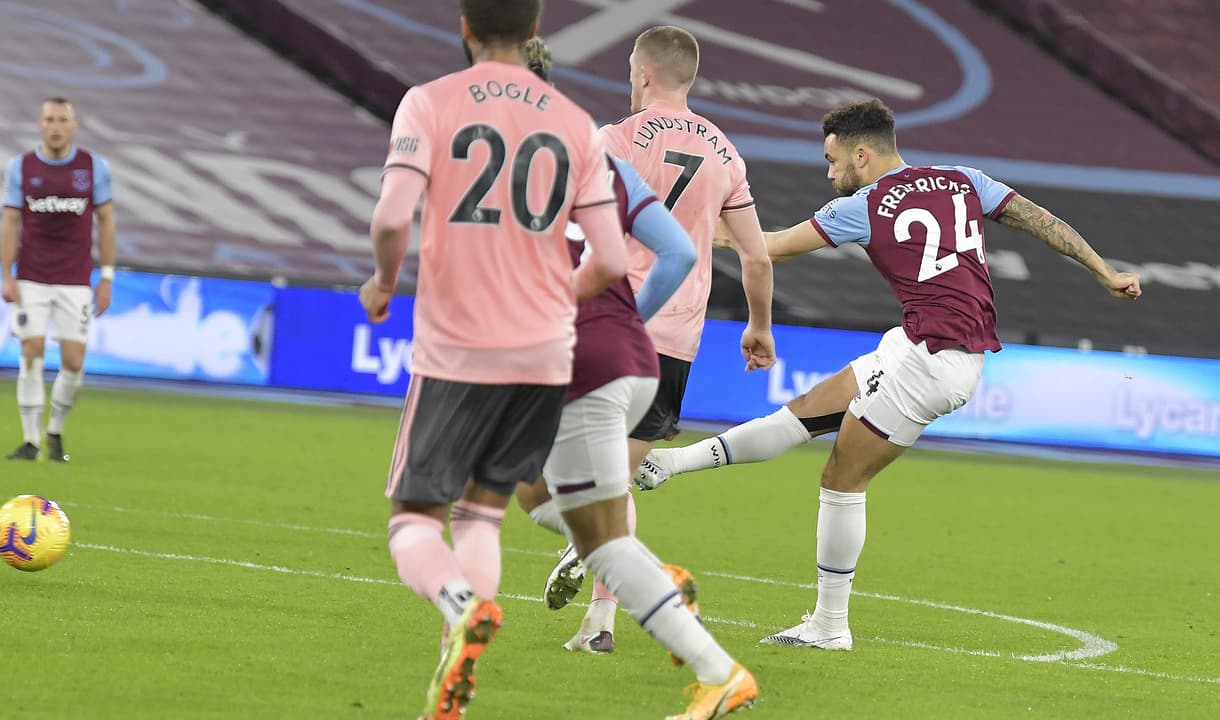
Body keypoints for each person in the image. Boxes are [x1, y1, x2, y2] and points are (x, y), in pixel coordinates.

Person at [635, 98, 1142, 650]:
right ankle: (670, 464)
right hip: (918, 345)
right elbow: (1039, 220)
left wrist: (682, 225)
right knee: (805, 412)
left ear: (861, 152)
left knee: (841, 479)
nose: (830, 174)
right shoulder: (961, 180)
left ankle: (830, 627)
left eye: (833, 162)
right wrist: (1104, 271)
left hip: (932, 362)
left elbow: (769, 248)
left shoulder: (866, 205)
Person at [358, 3, 628, 718]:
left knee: (413, 520)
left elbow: (390, 217)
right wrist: (550, 301)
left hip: (457, 344)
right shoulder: (575, 121)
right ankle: (455, 675)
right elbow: (613, 258)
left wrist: (384, 284)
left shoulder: (430, 102)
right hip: (544, 353)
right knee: (481, 513)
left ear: (464, 27)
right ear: (535, 31)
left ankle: (460, 607)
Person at [512, 38, 758, 720]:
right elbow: (720, 253)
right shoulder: (717, 151)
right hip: (660, 348)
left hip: (595, 343)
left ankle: (683, 637)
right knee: (555, 484)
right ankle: (608, 603)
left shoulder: (601, 146)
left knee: (569, 502)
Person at [1, 97, 115, 463]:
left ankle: (55, 432)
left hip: (75, 279)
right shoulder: (21, 167)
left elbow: (107, 222)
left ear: (74, 125)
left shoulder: (93, 168)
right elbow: (11, 221)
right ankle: (31, 440)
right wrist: (6, 273)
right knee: (31, 352)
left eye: (62, 120)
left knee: (73, 361)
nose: (55, 126)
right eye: (49, 119)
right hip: (32, 276)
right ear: (40, 124)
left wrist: (107, 277)